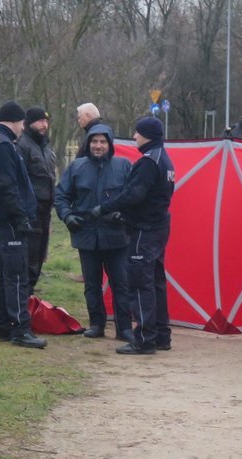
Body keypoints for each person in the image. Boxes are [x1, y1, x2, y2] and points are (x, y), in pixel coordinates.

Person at [92, 117, 174, 355]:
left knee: (140, 283)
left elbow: (133, 195)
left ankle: (144, 339)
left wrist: (105, 208)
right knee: (156, 281)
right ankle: (160, 334)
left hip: (144, 230)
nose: (135, 137)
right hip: (158, 227)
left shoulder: (148, 162)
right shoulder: (164, 159)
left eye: (138, 133)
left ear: (148, 135)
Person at [54, 123, 134, 341]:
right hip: (86, 235)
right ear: (88, 143)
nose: (98, 146)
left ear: (110, 144)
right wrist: (67, 216)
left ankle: (124, 327)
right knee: (92, 284)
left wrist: (124, 215)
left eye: (102, 142)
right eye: (94, 141)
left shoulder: (123, 166)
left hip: (116, 236)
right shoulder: (77, 167)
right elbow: (61, 196)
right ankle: (96, 324)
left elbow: (134, 197)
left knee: (121, 283)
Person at [0, 100, 47, 349]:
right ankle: (21, 329)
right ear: (14, 121)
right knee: (17, 274)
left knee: (2, 274)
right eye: (21, 123)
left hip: (3, 218)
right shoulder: (3, 147)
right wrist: (20, 217)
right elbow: (7, 186)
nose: (22, 128)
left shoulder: (0, 143)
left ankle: (0, 326)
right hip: (10, 221)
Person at [16, 106, 57, 293]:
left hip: (45, 211)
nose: (44, 125)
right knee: (29, 258)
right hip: (30, 211)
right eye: (40, 121)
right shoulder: (22, 146)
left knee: (39, 257)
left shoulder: (46, 149)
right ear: (29, 123)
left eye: (46, 121)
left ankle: (29, 294)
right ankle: (24, 297)